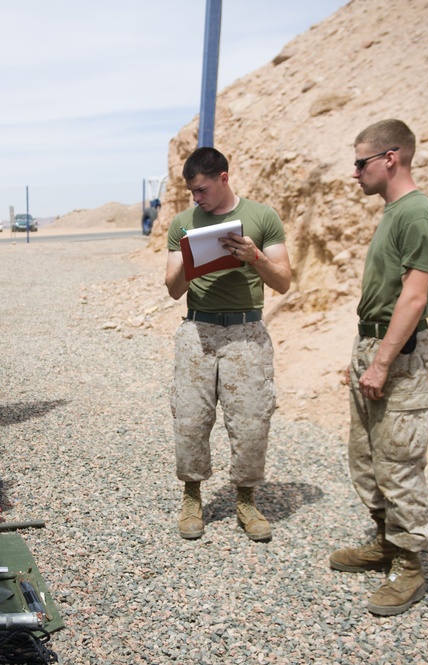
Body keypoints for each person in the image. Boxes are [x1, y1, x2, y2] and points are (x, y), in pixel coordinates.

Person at [330, 119, 428, 616]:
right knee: (367, 459)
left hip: (398, 357)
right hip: (374, 348)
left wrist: (380, 364)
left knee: (399, 464)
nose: (354, 173)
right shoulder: (396, 212)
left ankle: (410, 566)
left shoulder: (418, 215)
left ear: (390, 158)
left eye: (361, 162)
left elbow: (414, 298)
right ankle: (385, 543)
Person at [164, 147, 291, 542]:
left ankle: (246, 500)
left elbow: (284, 281)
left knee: (252, 421)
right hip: (198, 332)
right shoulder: (182, 223)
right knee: (190, 419)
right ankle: (192, 497)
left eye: (202, 190)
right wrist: (188, 257)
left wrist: (254, 257)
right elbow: (172, 290)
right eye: (192, 193)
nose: (196, 199)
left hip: (246, 333)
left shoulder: (263, 217)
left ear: (223, 177)